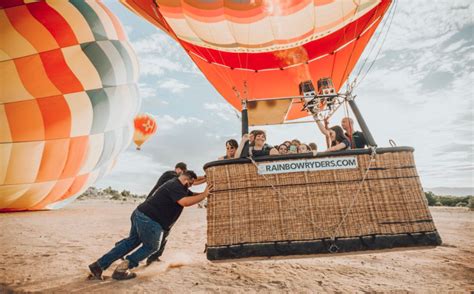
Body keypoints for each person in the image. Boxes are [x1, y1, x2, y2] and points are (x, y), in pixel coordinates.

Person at [88, 171, 213, 280]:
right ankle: (122, 269)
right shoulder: (175, 185)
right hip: (150, 220)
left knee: (131, 242)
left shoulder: (180, 186)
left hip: (141, 214)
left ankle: (98, 266)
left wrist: (205, 191)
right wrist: (204, 194)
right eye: (191, 183)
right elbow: (185, 202)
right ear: (186, 180)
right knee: (152, 246)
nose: (191, 185)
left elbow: (192, 194)